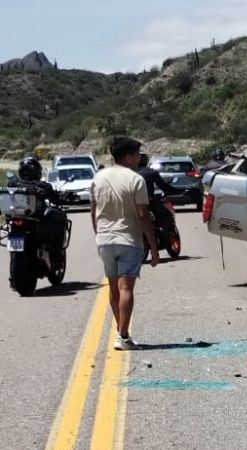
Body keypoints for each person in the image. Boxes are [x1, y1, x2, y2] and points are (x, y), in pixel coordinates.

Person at [90, 136, 159, 351]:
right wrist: (154, 247)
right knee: (126, 287)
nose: (139, 159)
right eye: (137, 155)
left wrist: (99, 235)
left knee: (113, 288)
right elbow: (143, 216)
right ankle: (123, 335)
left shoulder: (98, 178)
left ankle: (121, 332)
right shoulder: (136, 180)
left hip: (104, 240)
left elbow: (93, 211)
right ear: (128, 157)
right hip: (128, 240)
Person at [8, 156, 68, 264]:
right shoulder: (42, 186)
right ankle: (56, 255)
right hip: (36, 221)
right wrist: (64, 197)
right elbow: (55, 198)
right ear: (37, 172)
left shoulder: (13, 184)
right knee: (58, 219)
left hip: (17, 219)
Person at [137, 152, 181, 228]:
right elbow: (163, 186)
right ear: (146, 161)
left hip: (131, 204)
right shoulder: (151, 172)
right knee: (167, 219)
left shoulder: (127, 173)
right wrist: (177, 191)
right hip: (149, 202)